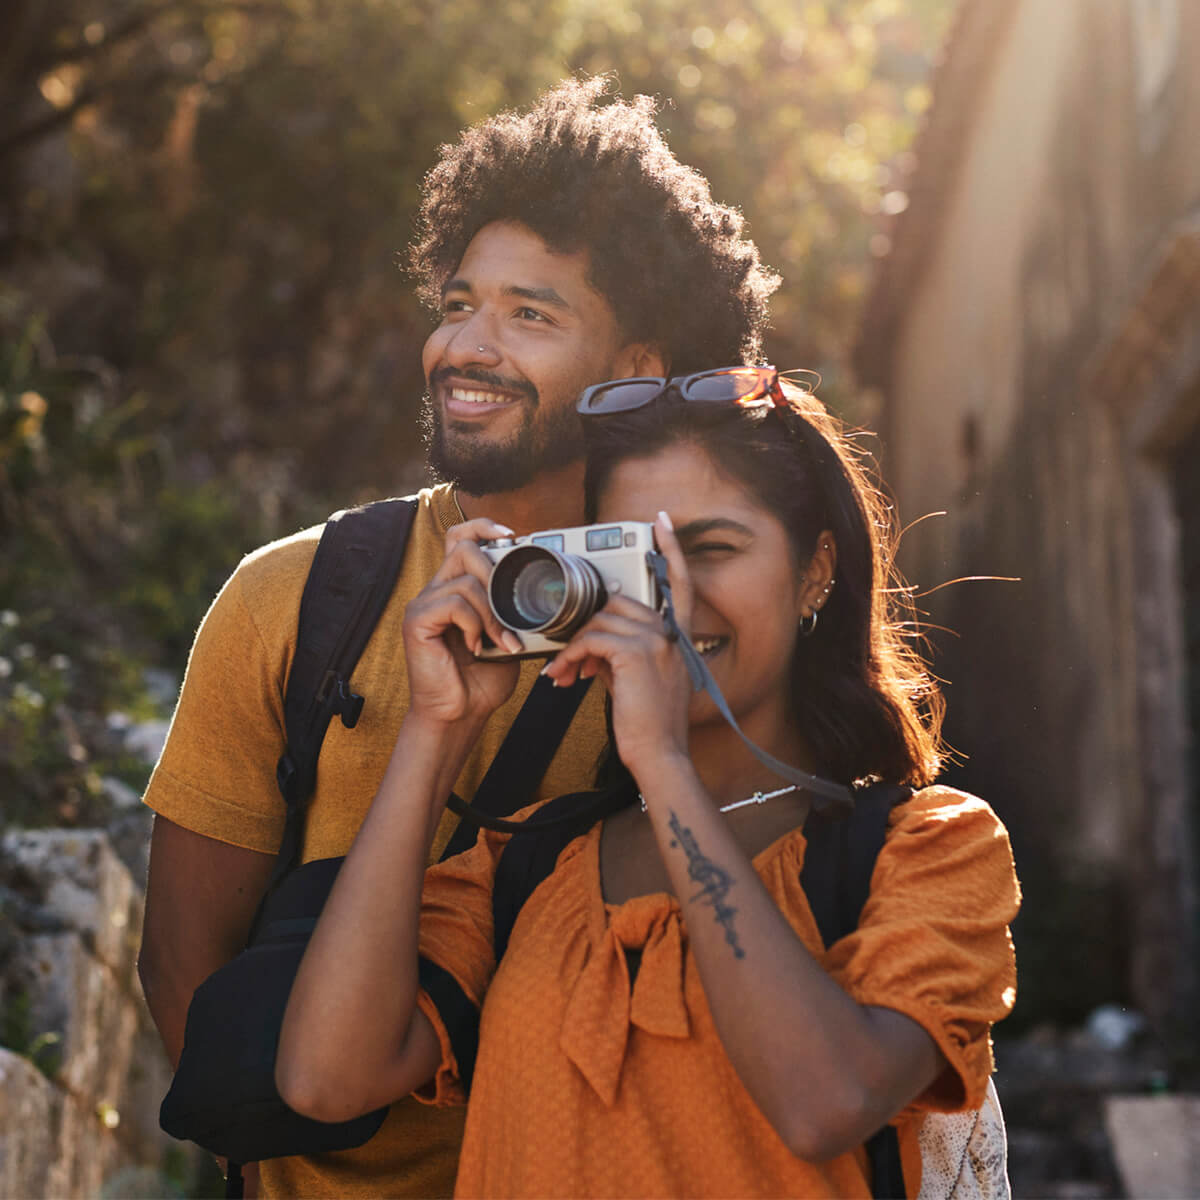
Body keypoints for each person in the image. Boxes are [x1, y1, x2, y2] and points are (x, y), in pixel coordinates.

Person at [136, 77, 779, 1198]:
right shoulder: (290, 598)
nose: (465, 348)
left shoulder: (706, 622)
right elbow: (182, 961)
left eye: (530, 314)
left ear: (635, 369)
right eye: (455, 303)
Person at [274, 366, 1022, 1197]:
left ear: (815, 571)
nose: (670, 602)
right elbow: (325, 1079)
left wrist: (662, 765)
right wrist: (437, 725)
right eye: (638, 562)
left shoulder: (928, 848)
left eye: (710, 550)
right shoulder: (528, 865)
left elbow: (826, 1104)